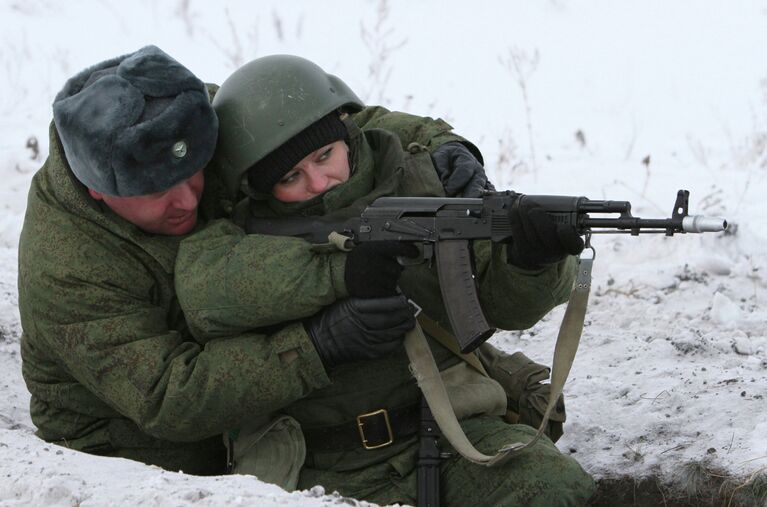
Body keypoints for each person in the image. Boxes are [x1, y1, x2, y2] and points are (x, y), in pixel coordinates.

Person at [17, 46, 493, 477]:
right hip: (131, 448)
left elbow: (320, 126)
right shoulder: (65, 265)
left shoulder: (178, 117)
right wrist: (317, 345)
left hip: (256, 398)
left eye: (194, 172)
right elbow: (166, 398)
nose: (187, 200)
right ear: (99, 190)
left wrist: (437, 144)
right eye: (158, 191)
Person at [175, 55, 595, 505]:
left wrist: (533, 260)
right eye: (291, 176)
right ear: (256, 187)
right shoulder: (235, 234)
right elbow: (208, 291)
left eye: (325, 155)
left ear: (346, 136)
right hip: (318, 462)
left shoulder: (417, 183)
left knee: (556, 491)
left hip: (455, 431)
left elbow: (508, 309)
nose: (319, 182)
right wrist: (341, 273)